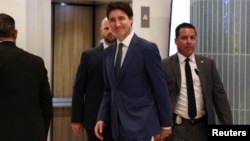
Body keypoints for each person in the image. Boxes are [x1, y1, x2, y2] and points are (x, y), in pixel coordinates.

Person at [94, 2, 173, 141]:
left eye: (121, 18)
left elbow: (160, 88)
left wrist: (166, 124)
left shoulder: (147, 49)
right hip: (115, 127)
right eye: (112, 20)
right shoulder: (107, 53)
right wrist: (101, 117)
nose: (117, 24)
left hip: (141, 126)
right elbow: (109, 90)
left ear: (131, 18)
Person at [162, 22, 233, 141]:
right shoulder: (165, 65)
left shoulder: (207, 64)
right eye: (184, 38)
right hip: (178, 127)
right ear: (176, 41)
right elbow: (158, 98)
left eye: (192, 37)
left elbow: (220, 97)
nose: (189, 41)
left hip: (203, 126)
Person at [0, 13, 52, 141]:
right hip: (33, 133)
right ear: (15, 33)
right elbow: (46, 104)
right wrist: (41, 133)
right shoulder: (36, 62)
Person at [71, 17, 116, 141]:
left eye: (112, 28)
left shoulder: (127, 55)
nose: (110, 31)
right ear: (101, 30)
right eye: (106, 28)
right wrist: (76, 119)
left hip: (121, 120)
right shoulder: (88, 56)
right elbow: (79, 89)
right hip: (94, 118)